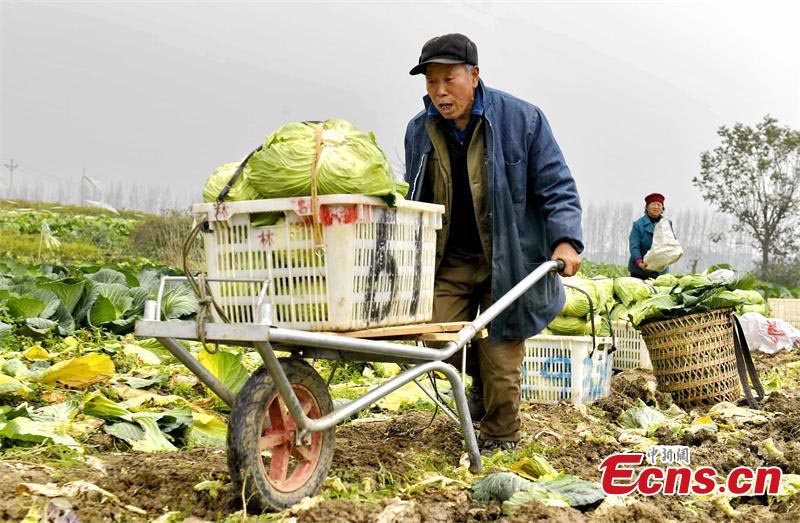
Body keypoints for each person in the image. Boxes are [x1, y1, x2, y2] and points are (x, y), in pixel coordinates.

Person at [404, 33, 583, 454]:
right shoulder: (419, 130)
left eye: (449, 80)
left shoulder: (523, 119)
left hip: (510, 257)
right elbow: (414, 194)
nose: (440, 92)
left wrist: (566, 241)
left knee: (502, 357)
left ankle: (501, 438)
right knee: (436, 340)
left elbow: (557, 186)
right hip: (451, 257)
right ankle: (478, 382)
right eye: (431, 83)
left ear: (474, 75)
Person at [628, 192, 673, 279]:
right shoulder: (638, 224)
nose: (656, 207)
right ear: (647, 207)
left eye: (659, 204)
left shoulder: (667, 223)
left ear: (662, 208)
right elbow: (634, 246)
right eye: (653, 204)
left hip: (660, 271)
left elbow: (671, 243)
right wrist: (640, 263)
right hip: (640, 269)